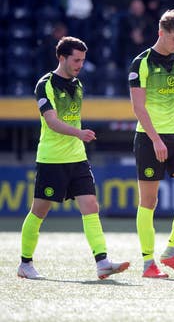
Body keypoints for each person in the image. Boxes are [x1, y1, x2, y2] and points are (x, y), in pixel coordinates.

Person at [18, 36, 129, 280]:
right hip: (51, 159)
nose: (80, 64)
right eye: (76, 60)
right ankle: (25, 264)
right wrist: (79, 133)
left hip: (77, 158)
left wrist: (78, 138)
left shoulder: (78, 85)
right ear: (62, 58)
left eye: (83, 60)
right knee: (39, 211)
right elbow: (52, 121)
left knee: (91, 206)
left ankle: (102, 262)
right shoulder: (45, 84)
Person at [128, 9, 174, 278]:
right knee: (149, 201)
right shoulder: (141, 63)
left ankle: (171, 252)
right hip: (150, 139)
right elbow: (138, 108)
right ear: (160, 33)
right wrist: (156, 139)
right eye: (173, 38)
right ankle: (148, 263)